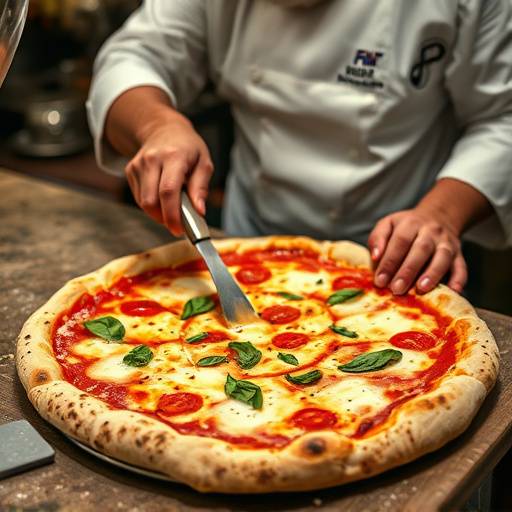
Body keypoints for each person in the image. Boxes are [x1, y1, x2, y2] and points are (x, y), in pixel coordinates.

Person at [87, 0, 512, 296]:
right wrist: (158, 124)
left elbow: (502, 118)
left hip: (399, 266)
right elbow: (134, 56)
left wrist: (441, 213)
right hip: (246, 249)